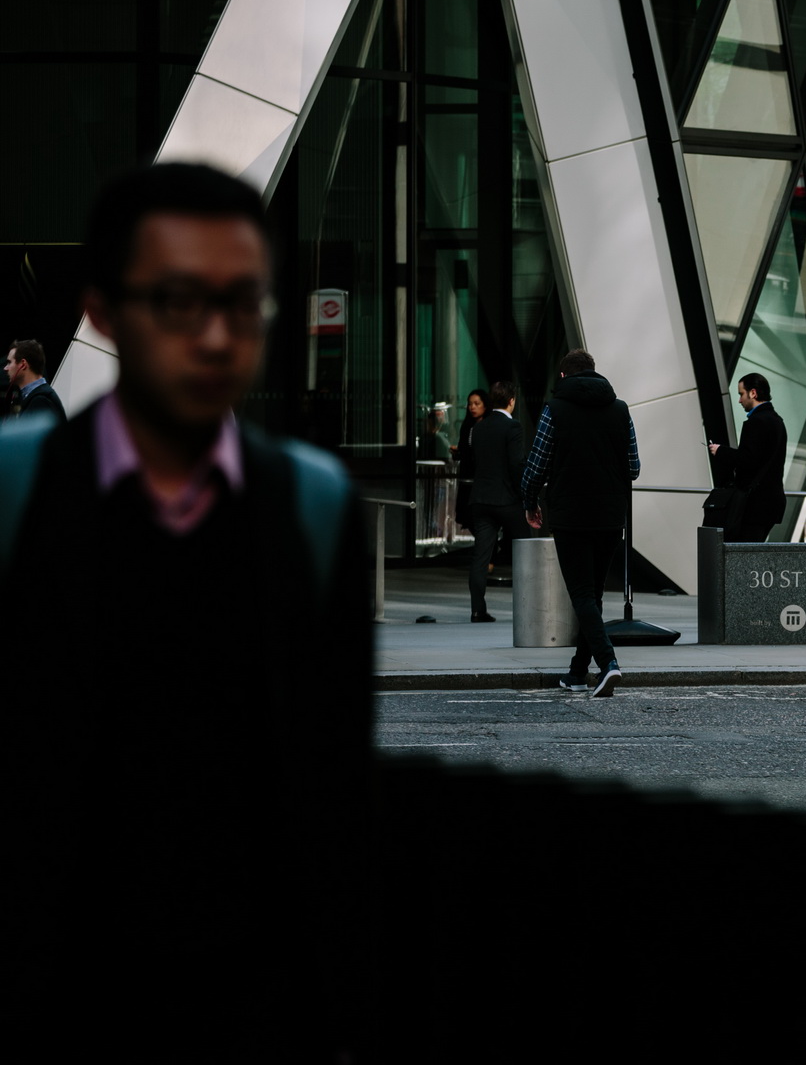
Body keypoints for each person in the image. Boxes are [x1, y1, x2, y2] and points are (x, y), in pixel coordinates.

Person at [0, 163, 369, 1045]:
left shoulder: (316, 507)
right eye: (177, 301)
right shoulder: (15, 494)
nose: (214, 337)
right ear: (102, 310)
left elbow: (335, 798)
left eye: (243, 304)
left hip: (257, 1003)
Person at [523, 349, 641, 697]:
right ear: (594, 372)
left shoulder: (555, 410)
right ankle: (577, 673)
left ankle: (609, 663)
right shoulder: (620, 409)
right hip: (609, 516)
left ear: (563, 377)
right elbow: (633, 467)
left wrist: (530, 502)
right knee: (592, 595)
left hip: (571, 515)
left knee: (581, 594)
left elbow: (537, 464)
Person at [465, 380, 526, 623]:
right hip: (507, 500)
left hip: (480, 499)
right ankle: (529, 607)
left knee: (480, 557)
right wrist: (526, 497)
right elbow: (516, 465)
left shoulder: (478, 428)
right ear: (512, 401)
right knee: (527, 551)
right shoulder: (513, 428)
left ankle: (477, 610)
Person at [708, 371, 788, 542]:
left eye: (741, 394)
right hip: (771, 503)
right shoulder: (777, 421)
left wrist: (721, 451)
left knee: (742, 557)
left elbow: (747, 460)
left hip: (754, 505)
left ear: (753, 393)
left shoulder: (756, 422)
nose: (739, 400)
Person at [452, 385, 487, 530]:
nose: (472, 407)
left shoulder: (488, 425)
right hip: (468, 476)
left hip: (483, 478)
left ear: (485, 405)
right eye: (470, 404)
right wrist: (458, 452)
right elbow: (465, 449)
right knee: (469, 516)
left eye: (477, 404)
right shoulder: (467, 425)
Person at [5, 338, 64, 421]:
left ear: (23, 364)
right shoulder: (36, 397)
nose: (5, 368)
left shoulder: (41, 401)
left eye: (9, 362)